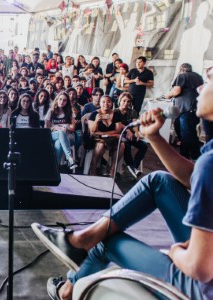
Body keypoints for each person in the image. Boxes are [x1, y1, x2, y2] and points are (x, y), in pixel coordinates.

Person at [38, 65, 213, 300]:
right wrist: (153, 136)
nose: (200, 86)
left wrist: (175, 252)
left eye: (209, 79)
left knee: (107, 241)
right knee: (159, 181)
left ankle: (68, 289)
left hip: (201, 288)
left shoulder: (210, 164)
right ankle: (82, 240)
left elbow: (200, 268)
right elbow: (195, 177)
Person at [164, 63, 203, 160]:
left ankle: (186, 157)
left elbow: (176, 91)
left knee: (186, 133)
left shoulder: (181, 76)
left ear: (181, 70)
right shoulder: (198, 76)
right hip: (195, 108)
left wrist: (168, 95)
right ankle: (193, 155)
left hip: (186, 108)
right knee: (188, 131)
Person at [88, 95, 125, 177]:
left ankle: (112, 169)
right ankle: (92, 168)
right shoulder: (94, 114)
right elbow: (92, 131)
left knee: (121, 145)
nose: (106, 103)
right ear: (100, 103)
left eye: (108, 101)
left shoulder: (116, 114)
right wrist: (96, 121)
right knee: (100, 145)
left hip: (111, 138)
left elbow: (118, 130)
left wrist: (103, 133)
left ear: (111, 103)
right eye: (103, 102)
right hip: (97, 139)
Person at [116, 93, 148, 179]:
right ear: (120, 101)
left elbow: (134, 124)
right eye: (124, 101)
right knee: (127, 145)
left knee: (144, 146)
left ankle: (134, 166)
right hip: (119, 135)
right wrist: (128, 131)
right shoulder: (115, 111)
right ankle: (130, 166)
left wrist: (136, 133)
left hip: (130, 135)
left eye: (128, 101)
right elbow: (118, 125)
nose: (126, 103)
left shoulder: (132, 112)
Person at [45, 92, 78, 170]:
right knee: (60, 133)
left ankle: (55, 168)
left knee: (59, 143)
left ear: (67, 102)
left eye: (64, 100)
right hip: (54, 135)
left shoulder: (70, 112)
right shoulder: (51, 111)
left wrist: (66, 129)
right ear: (56, 100)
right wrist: (55, 127)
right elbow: (46, 128)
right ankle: (69, 157)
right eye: (60, 99)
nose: (62, 102)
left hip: (68, 135)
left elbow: (73, 128)